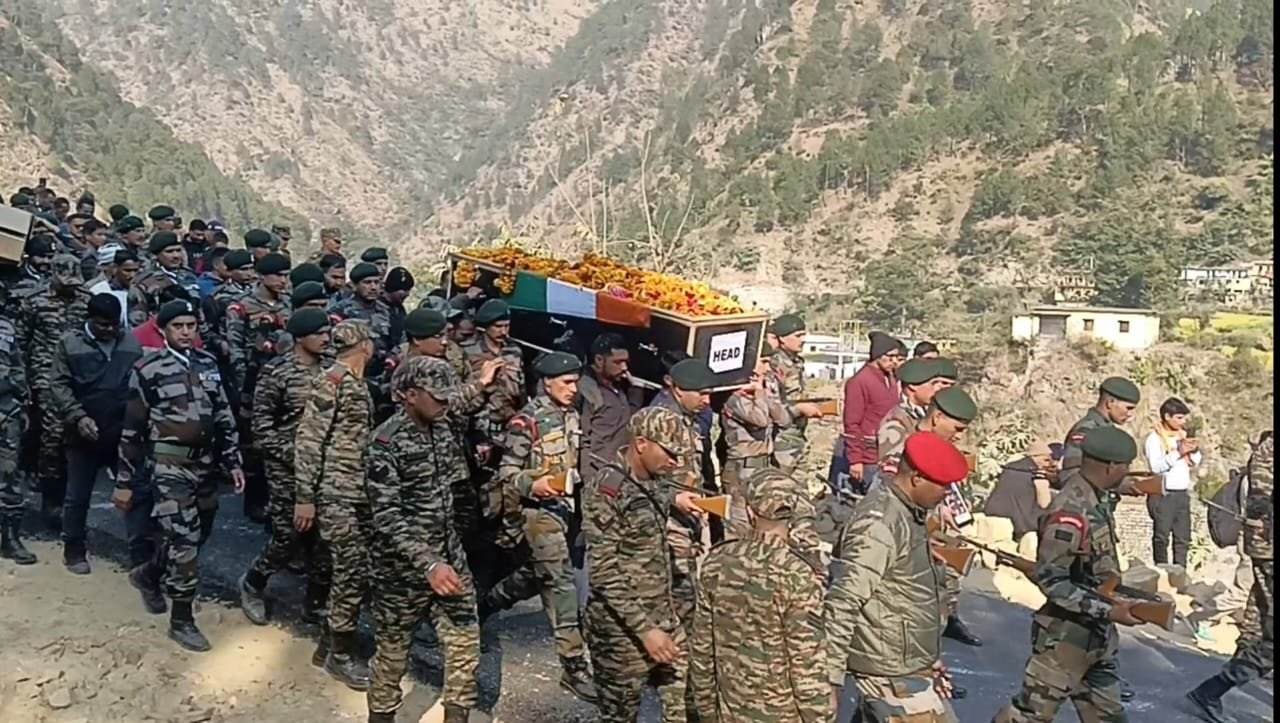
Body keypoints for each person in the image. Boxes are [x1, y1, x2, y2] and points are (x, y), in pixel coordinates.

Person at [115, 299, 244, 651]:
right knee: (184, 540)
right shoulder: (148, 368)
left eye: (191, 325)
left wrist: (233, 460)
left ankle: (148, 574)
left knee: (198, 532)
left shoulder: (208, 363)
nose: (186, 332)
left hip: (205, 465)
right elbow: (131, 430)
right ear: (163, 330)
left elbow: (223, 414)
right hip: (168, 466)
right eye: (178, 326)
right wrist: (124, 483)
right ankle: (182, 620)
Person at [993, 427, 1146, 723]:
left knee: (1108, 717)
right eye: (1125, 467)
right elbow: (1051, 579)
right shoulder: (1070, 512)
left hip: (1097, 636)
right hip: (1064, 639)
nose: (1127, 473)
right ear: (1111, 467)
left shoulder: (1096, 499)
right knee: (1029, 716)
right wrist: (1109, 610)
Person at [365, 356, 483, 723]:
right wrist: (428, 563)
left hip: (450, 557)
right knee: (393, 653)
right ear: (410, 395)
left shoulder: (443, 427)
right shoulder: (385, 443)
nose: (445, 402)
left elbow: (456, 486)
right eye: (438, 396)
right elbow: (386, 516)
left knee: (465, 640)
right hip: (402, 570)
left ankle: (456, 715)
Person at [825, 432, 970, 723]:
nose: (947, 494)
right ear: (916, 478)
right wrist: (830, 679)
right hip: (889, 671)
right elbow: (843, 601)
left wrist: (926, 656)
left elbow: (905, 592)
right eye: (943, 485)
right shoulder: (880, 525)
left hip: (904, 662)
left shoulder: (907, 512)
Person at [480, 351, 597, 701]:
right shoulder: (526, 422)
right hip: (536, 513)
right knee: (561, 582)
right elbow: (507, 473)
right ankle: (573, 665)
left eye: (576, 382)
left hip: (563, 510)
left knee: (536, 575)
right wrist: (534, 485)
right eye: (567, 383)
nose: (573, 389)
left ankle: (484, 605)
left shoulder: (570, 414)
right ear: (547, 383)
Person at [584, 407, 705, 722]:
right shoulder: (608, 490)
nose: (675, 462)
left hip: (665, 620)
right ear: (641, 444)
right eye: (669, 453)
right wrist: (646, 631)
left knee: (689, 707)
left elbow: (661, 495)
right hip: (619, 634)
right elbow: (603, 573)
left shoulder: (656, 479)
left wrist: (678, 500)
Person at [689, 468, 830, 722]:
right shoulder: (798, 575)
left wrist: (708, 713)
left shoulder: (716, 562)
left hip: (728, 711)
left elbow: (702, 650)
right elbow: (807, 666)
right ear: (792, 513)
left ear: (750, 513)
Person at [238, 309, 334, 627]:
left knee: (324, 539)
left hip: (325, 466)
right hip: (286, 467)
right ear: (300, 338)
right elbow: (262, 428)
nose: (326, 339)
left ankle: (315, 604)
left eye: (327, 332)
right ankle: (253, 583)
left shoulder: (332, 369)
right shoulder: (277, 373)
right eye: (319, 333)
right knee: (288, 537)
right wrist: (296, 455)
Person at [295, 320, 376, 690]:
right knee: (351, 572)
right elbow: (309, 440)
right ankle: (339, 656)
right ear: (366, 346)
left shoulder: (355, 382)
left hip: (356, 492)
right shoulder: (333, 381)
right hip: (335, 494)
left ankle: (327, 646)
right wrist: (305, 498)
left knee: (352, 570)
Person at [49, 294, 143, 573]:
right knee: (77, 497)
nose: (110, 330)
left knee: (136, 493)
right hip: (83, 432)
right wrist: (78, 416)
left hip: (123, 433)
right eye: (103, 324)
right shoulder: (70, 344)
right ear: (89, 319)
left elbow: (141, 383)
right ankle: (74, 549)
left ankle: (140, 555)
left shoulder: (131, 343)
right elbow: (59, 385)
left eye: (115, 324)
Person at [1185, 430, 1273, 723]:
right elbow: (1260, 501)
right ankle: (1211, 691)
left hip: (1265, 547)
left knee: (1257, 620)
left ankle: (1223, 680)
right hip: (1269, 547)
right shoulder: (1268, 451)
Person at [17, 252, 91, 530]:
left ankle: (71, 494)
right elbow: (22, 343)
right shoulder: (35, 301)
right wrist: (24, 382)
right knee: (53, 435)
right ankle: (51, 497)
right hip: (45, 375)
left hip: (79, 375)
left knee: (76, 436)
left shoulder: (87, 301)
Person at [226, 252, 293, 523]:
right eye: (278, 275)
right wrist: (245, 386)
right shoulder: (241, 306)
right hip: (254, 382)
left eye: (286, 275)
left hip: (284, 381)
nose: (283, 281)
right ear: (262, 277)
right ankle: (254, 500)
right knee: (254, 444)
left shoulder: (288, 304)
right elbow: (235, 349)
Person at [833, 331, 904, 495]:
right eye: (890, 357)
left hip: (886, 454)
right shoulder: (859, 381)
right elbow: (852, 423)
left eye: (896, 357)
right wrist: (855, 460)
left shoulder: (891, 378)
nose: (894, 361)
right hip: (867, 457)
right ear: (878, 355)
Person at [1144, 397, 1203, 566]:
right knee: (1161, 537)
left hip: (1181, 494)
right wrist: (1178, 452)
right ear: (1167, 416)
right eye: (1179, 418)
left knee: (1183, 537)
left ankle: (1180, 572)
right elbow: (1156, 467)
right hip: (1163, 494)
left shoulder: (1182, 436)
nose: (1183, 422)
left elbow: (1195, 461)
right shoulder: (1154, 439)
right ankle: (1162, 571)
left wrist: (1193, 451)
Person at [0, 284, 32, 565]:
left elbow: (17, 366)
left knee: (10, 475)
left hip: (6, 409)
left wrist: (23, 402)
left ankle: (10, 538)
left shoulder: (6, 327)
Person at [770, 314, 825, 474]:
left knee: (800, 483)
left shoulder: (797, 362)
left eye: (803, 335)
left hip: (798, 435)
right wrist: (799, 409)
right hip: (781, 437)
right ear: (782, 338)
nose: (803, 340)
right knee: (782, 483)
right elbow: (771, 404)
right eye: (798, 336)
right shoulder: (774, 363)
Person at [984, 440, 1058, 540]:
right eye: (1046, 460)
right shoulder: (1037, 474)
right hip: (1020, 526)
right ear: (1035, 456)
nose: (1049, 464)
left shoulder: (1009, 468)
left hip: (993, 517)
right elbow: (1044, 503)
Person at [89, 248, 138, 328]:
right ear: (115, 268)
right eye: (127, 270)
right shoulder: (98, 291)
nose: (132, 275)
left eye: (135, 271)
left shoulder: (138, 293)